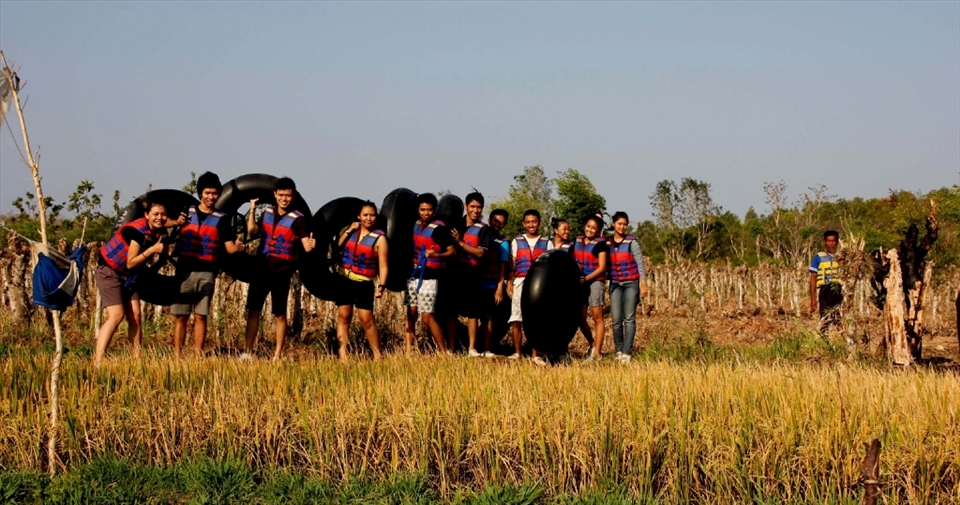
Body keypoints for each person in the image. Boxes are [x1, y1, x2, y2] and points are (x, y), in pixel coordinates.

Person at [93, 199, 183, 365]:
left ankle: (135, 360)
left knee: (136, 315)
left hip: (130, 276)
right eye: (155, 214)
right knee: (116, 315)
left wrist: (159, 262)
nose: (160, 218)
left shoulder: (160, 230)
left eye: (163, 214)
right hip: (110, 272)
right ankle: (98, 361)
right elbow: (131, 262)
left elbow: (166, 227)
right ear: (146, 215)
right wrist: (151, 251)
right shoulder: (136, 232)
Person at [171, 172, 244, 359]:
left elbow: (228, 247)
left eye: (214, 193)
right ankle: (177, 356)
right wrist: (175, 222)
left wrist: (237, 248)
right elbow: (166, 229)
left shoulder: (223, 218)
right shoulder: (185, 211)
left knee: (201, 315)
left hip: (207, 272)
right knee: (181, 316)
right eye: (207, 192)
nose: (211, 197)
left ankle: (197, 356)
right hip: (184, 271)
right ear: (200, 193)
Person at [242, 177, 315, 361]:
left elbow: (307, 246)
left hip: (282, 271)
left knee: (280, 314)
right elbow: (252, 232)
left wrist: (312, 245)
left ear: (293, 196)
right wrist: (251, 211)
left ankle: (277, 355)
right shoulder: (266, 212)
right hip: (261, 268)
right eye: (281, 195)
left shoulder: (299, 219)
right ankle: (248, 352)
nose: (284, 199)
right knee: (253, 311)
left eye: (288, 195)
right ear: (275, 195)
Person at [335, 201, 388, 360]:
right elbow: (339, 245)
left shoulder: (380, 239)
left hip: (364, 283)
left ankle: (377, 356)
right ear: (359, 216)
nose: (369, 218)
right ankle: (343, 356)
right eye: (365, 215)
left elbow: (383, 266)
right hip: (345, 279)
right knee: (344, 316)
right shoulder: (350, 231)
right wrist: (350, 229)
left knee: (367, 319)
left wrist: (382, 285)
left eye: (372, 215)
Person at [404, 193, 457, 354]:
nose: (425, 213)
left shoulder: (439, 230)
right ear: (418, 210)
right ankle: (407, 352)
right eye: (422, 210)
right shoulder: (414, 225)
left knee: (427, 317)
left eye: (429, 210)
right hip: (413, 274)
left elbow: (452, 252)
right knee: (410, 313)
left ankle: (442, 353)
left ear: (434, 211)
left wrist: (437, 255)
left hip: (430, 277)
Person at [507, 209, 553, 363]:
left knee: (536, 319)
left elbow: (551, 265)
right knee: (517, 318)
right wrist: (509, 282)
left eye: (534, 221)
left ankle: (535, 354)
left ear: (539, 222)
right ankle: (518, 352)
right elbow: (512, 264)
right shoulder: (517, 241)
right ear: (523, 224)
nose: (531, 225)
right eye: (528, 222)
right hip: (520, 281)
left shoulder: (547, 242)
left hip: (538, 285)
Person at [451, 191, 494, 357]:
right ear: (465, 207)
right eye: (473, 207)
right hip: (455, 272)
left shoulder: (484, 229)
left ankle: (471, 348)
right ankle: (452, 347)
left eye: (479, 207)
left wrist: (460, 243)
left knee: (473, 312)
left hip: (473, 273)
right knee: (452, 311)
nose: (476, 210)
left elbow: (480, 253)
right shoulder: (456, 224)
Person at [607, 212, 648, 363]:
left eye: (625, 224)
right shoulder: (607, 243)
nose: (622, 227)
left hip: (631, 283)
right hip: (615, 284)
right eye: (619, 224)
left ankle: (627, 352)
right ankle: (618, 350)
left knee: (629, 318)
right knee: (616, 319)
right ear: (613, 224)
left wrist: (643, 283)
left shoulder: (632, 242)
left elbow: (640, 263)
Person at [573, 215, 608, 360]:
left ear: (598, 230)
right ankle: (593, 345)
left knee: (597, 318)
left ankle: (598, 353)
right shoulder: (578, 241)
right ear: (584, 226)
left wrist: (586, 278)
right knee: (580, 318)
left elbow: (602, 268)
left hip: (595, 282)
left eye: (594, 228)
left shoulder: (601, 244)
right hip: (581, 282)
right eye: (588, 226)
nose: (590, 230)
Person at [483, 209, 511, 358]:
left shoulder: (504, 243)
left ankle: (487, 348)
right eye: (495, 221)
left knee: (488, 315)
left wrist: (500, 288)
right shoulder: (479, 236)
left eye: (501, 222)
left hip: (491, 284)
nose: (497, 224)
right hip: (476, 282)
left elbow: (503, 267)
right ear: (489, 220)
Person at [809, 230, 842, 334]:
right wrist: (813, 298)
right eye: (828, 241)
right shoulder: (818, 257)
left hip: (839, 290)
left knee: (839, 316)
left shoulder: (842, 256)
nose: (831, 244)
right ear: (824, 242)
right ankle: (824, 341)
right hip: (825, 290)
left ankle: (842, 339)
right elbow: (813, 277)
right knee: (824, 317)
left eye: (833, 241)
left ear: (837, 242)